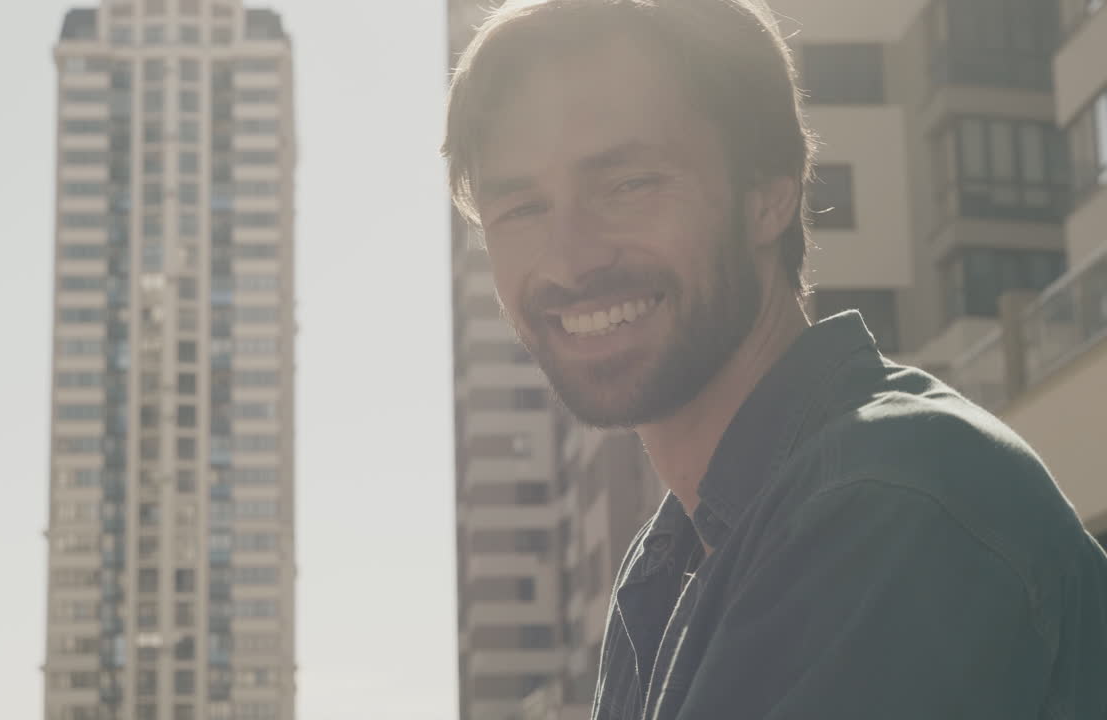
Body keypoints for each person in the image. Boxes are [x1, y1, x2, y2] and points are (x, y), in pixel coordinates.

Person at [441, 0, 1107, 717]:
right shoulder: (669, 560)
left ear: (769, 193)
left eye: (627, 185)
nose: (569, 259)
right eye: (520, 209)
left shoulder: (885, 504)